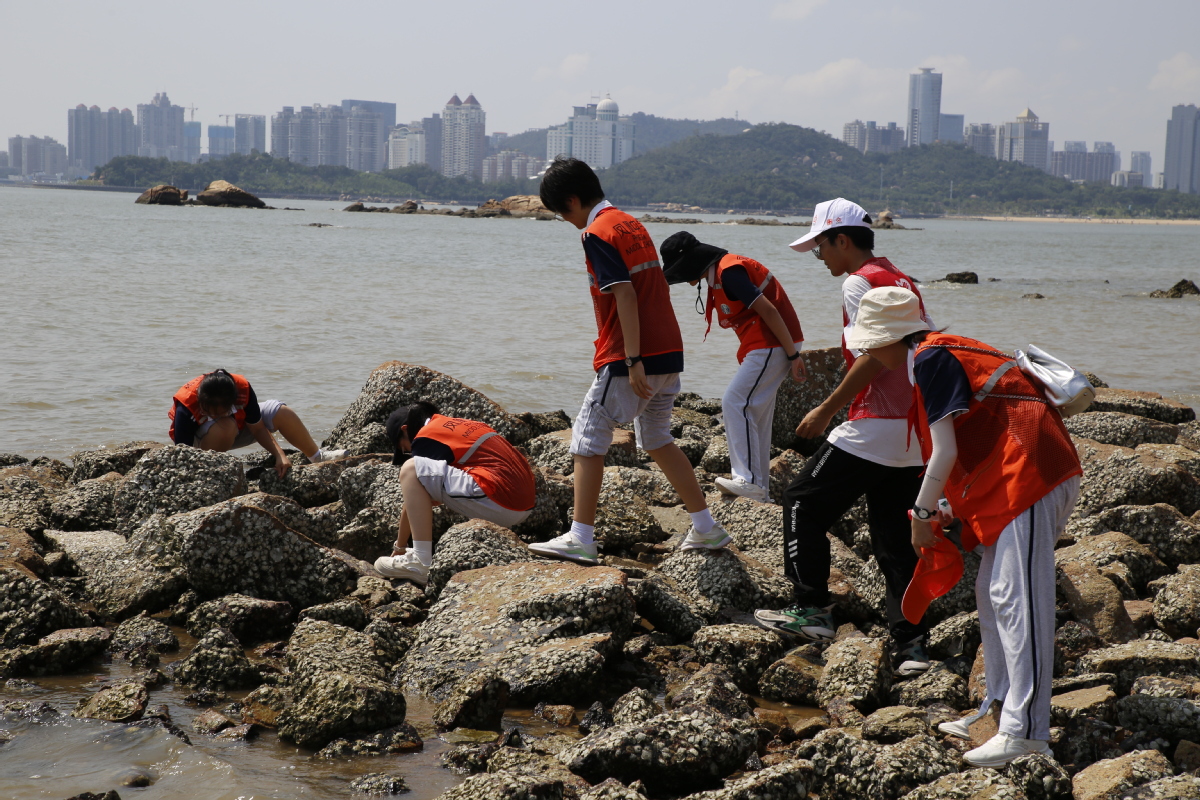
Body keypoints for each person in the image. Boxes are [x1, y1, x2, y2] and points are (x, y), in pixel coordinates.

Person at [846, 285, 1082, 767]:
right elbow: (968, 437)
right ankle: (996, 712)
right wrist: (947, 505)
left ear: (892, 338)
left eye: (871, 343)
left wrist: (923, 515)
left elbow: (948, 450)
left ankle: (1028, 732)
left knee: (1020, 600)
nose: (868, 352)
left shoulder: (932, 360)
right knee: (993, 595)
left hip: (1034, 474)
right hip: (1016, 476)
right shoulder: (937, 353)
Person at [752, 198, 933, 678]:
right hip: (916, 428)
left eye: (820, 249)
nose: (821, 259)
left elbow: (876, 355)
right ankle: (911, 644)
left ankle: (812, 610)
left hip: (875, 422)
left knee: (800, 501)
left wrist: (825, 410)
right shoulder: (899, 277)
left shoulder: (858, 283)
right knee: (894, 537)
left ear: (843, 240)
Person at [528, 156, 729, 565]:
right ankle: (706, 527)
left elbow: (624, 295)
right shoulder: (629, 223)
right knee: (656, 437)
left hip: (633, 354)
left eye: (560, 213)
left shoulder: (596, 232)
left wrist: (632, 358)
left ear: (572, 201)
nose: (565, 221)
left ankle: (581, 537)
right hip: (669, 349)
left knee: (587, 435)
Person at [660, 231, 807, 502]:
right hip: (773, 345)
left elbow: (769, 311)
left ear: (693, 262)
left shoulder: (729, 272)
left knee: (734, 402)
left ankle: (748, 481)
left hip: (773, 344)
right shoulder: (720, 271)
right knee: (757, 415)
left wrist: (791, 355)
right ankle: (758, 489)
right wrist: (791, 351)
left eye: (679, 272)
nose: (681, 279)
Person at [373, 401, 536, 585]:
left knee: (410, 469)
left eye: (403, 448)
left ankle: (420, 562)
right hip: (525, 504)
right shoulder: (461, 425)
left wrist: (399, 547)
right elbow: (415, 500)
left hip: (500, 500)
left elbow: (414, 487)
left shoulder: (425, 438)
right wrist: (401, 547)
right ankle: (418, 556)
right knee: (416, 472)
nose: (408, 451)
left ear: (405, 429)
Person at [168, 369, 345, 477]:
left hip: (236, 426)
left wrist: (279, 455)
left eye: (219, 412)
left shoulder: (241, 388)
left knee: (280, 411)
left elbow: (258, 428)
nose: (212, 414)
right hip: (203, 441)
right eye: (207, 411)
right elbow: (183, 454)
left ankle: (317, 456)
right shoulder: (187, 404)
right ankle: (213, 471)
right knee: (226, 426)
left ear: (232, 402)